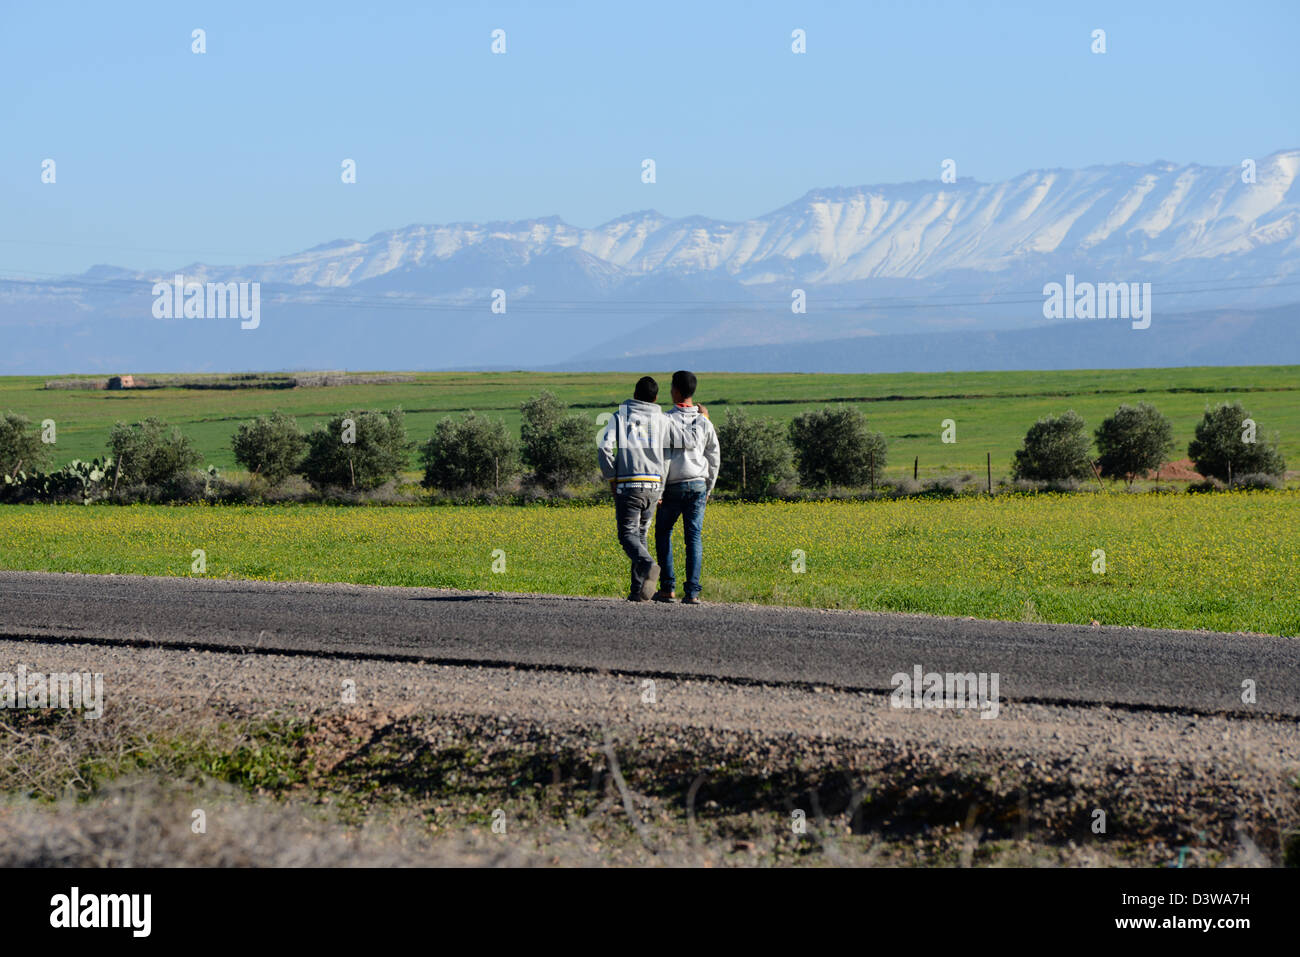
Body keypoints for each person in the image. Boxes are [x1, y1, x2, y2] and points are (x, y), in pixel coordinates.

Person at [597, 376, 707, 601]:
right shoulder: (663, 420)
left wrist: (612, 477)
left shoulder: (620, 416)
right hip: (655, 487)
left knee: (627, 535)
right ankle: (638, 591)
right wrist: (702, 419)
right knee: (641, 535)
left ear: (635, 395)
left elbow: (604, 447)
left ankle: (647, 564)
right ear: (656, 398)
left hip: (629, 486)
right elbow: (688, 441)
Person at [653, 371, 720, 605]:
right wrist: (709, 487)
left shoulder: (665, 420)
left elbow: (661, 459)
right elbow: (714, 456)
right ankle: (692, 592)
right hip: (699, 484)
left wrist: (658, 491)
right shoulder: (704, 422)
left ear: (677, 391)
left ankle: (667, 588)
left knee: (663, 533)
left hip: (673, 486)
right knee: (694, 538)